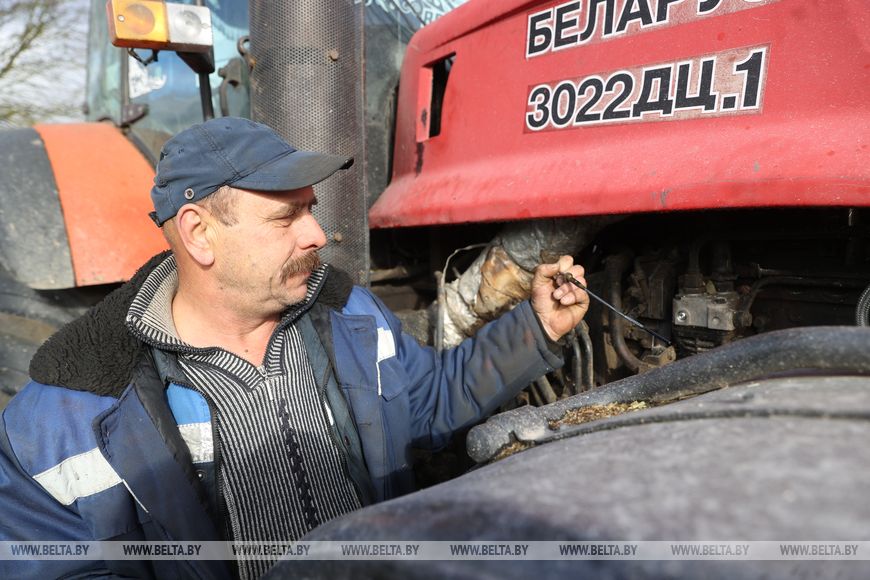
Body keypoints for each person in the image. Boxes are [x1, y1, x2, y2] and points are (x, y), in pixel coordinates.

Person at [0, 117, 588, 579]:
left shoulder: (351, 317)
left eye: (311, 209)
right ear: (199, 233)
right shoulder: (63, 419)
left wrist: (536, 328)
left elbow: (430, 403)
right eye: (286, 217)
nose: (316, 233)